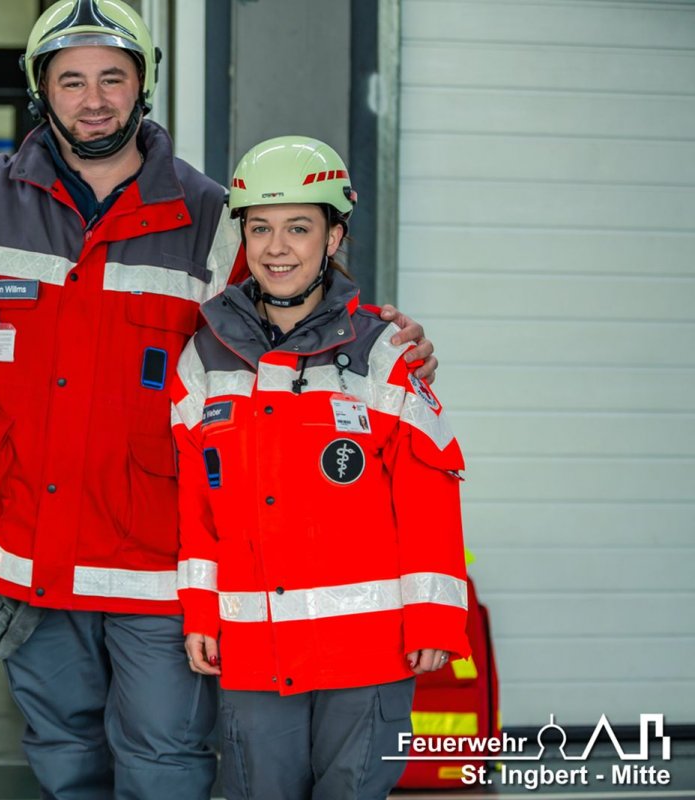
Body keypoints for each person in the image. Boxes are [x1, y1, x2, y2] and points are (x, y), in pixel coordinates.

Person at [0, 3, 436, 797]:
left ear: (143, 87)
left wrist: (377, 335)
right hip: (27, 558)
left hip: (155, 565)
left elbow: (292, 306)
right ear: (40, 90)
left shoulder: (211, 220)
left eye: (111, 78)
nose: (92, 99)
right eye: (70, 80)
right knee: (62, 757)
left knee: (163, 759)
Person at [171, 136, 471, 800]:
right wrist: (199, 611)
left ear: (333, 236)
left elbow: (428, 493)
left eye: (299, 228)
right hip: (252, 648)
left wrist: (430, 617)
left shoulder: (386, 356)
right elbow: (196, 505)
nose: (278, 247)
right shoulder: (202, 359)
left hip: (368, 651)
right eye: (261, 229)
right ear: (242, 241)